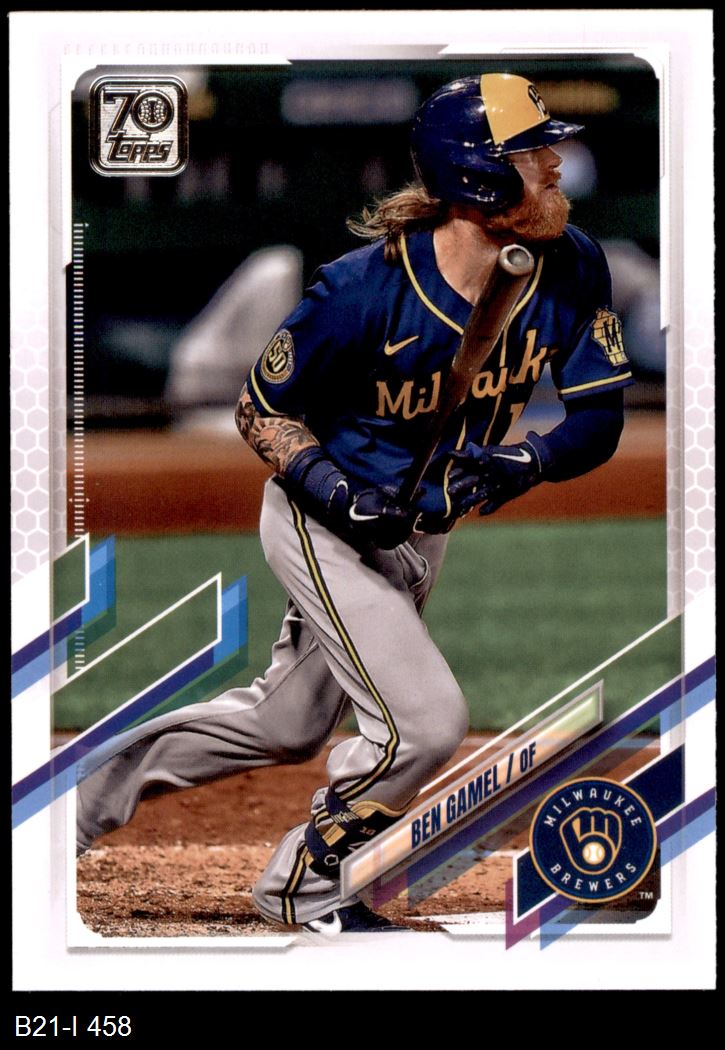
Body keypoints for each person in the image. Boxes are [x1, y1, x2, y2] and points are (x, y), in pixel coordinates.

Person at [76, 73, 634, 936]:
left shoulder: (570, 264)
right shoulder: (361, 290)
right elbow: (260, 410)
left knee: (284, 724)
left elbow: (596, 418)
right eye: (532, 152)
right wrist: (334, 488)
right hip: (324, 524)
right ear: (479, 176)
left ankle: (64, 808)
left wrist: (525, 461)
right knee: (423, 723)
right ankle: (307, 886)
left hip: (421, 532)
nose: (555, 164)